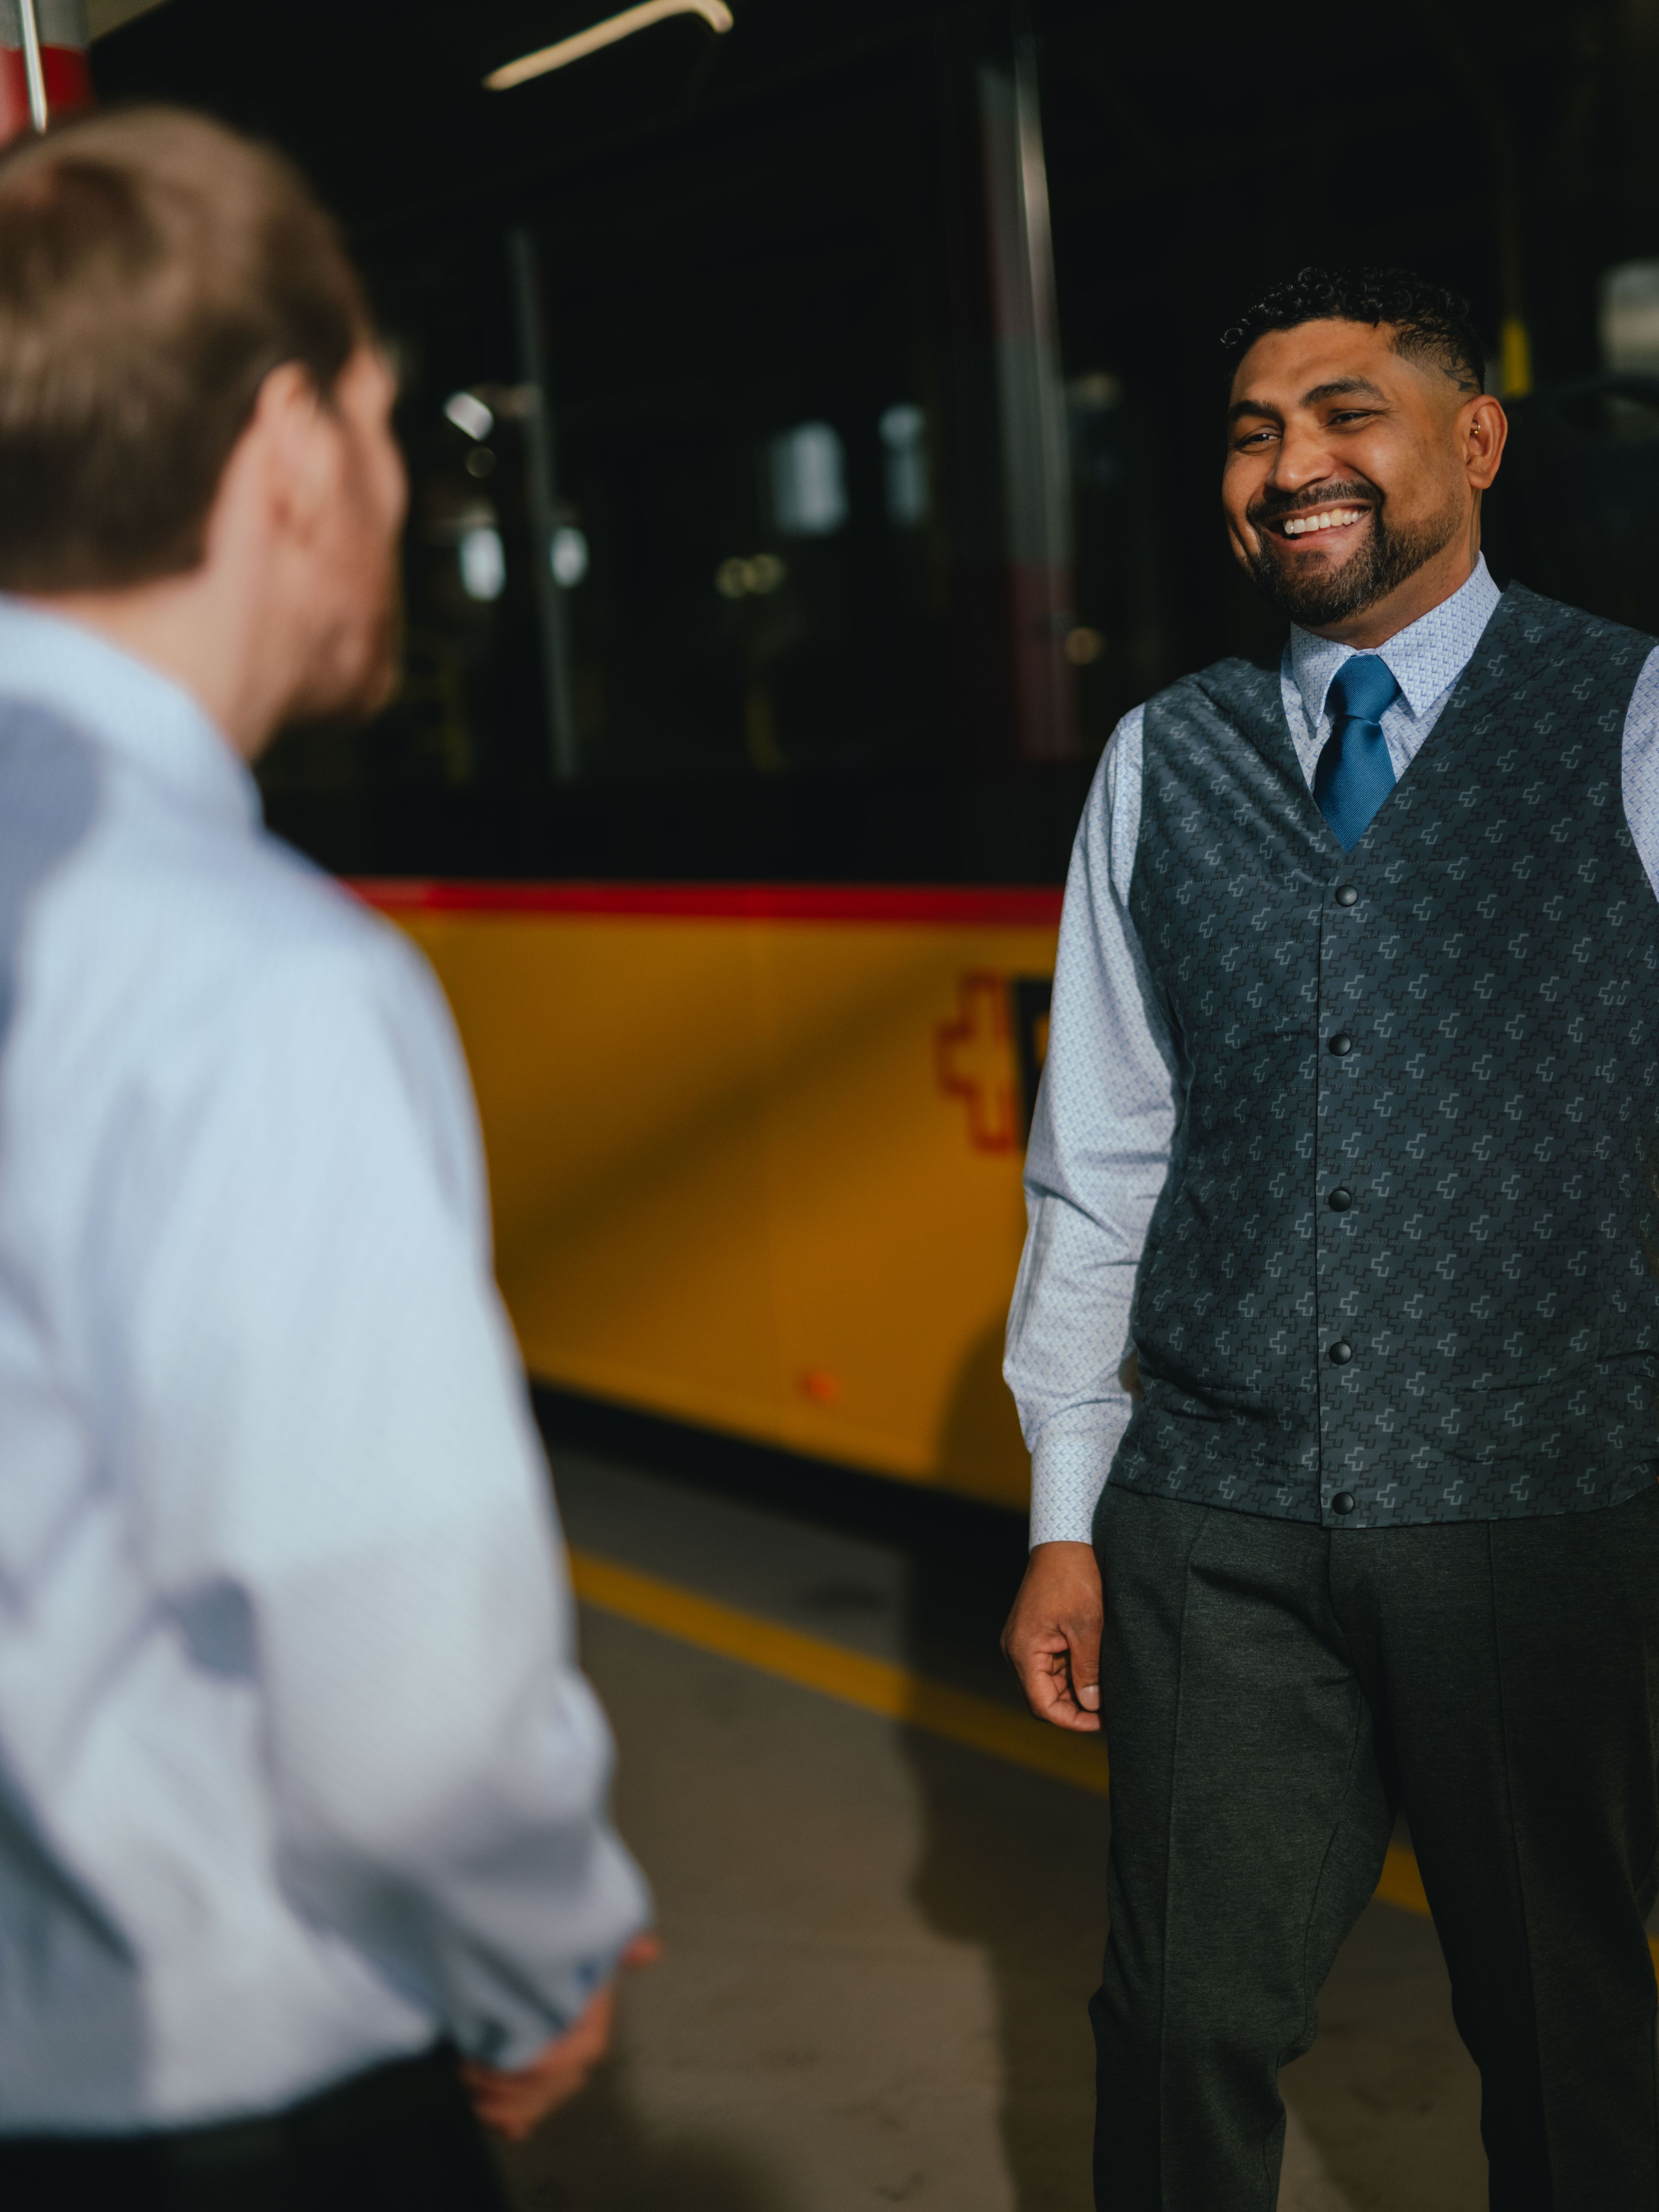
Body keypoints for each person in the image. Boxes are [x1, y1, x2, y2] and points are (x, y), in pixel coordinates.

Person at [0, 105, 651, 2208]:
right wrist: (532, 1949)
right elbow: (410, 1732)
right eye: (390, 419)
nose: (400, 484)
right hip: (204, 2113)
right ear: (291, 440)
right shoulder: (255, 973)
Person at [1002, 264, 1659, 2211]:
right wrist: (1065, 1503)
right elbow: (1101, 1150)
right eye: (1254, 429)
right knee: (1179, 2018)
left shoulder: (1629, 711)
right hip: (1217, 1515)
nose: (1296, 463)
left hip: (1543, 1500)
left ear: (1475, 440)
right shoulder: (1159, 758)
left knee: (1565, 2033)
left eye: (1347, 412)